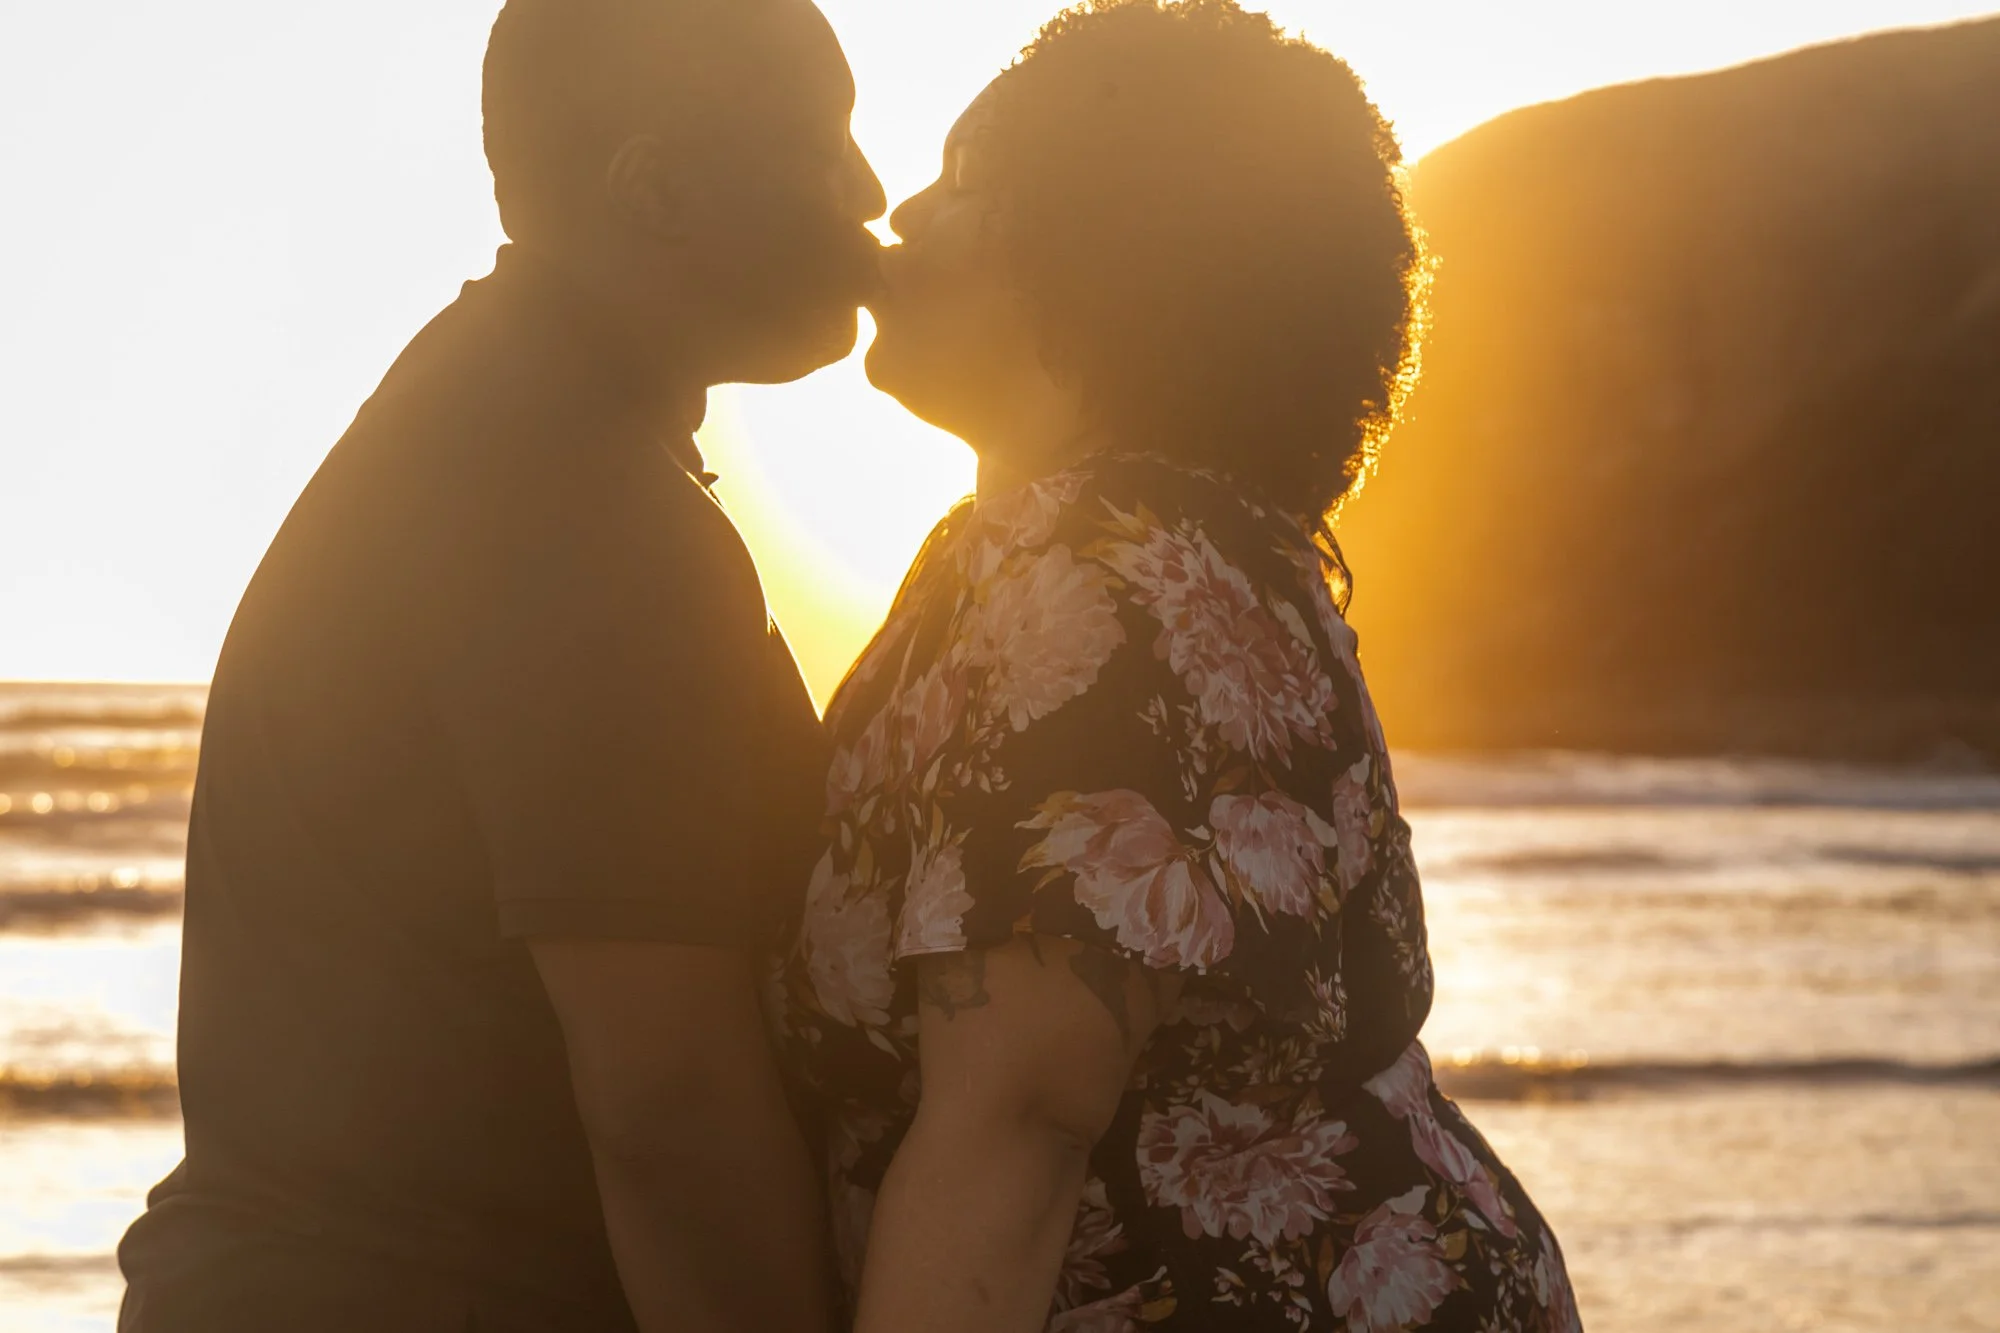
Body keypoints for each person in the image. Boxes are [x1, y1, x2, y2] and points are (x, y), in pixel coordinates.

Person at [768, 2, 1584, 1330]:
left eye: (965, 179)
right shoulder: (1098, 549)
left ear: (1102, 247)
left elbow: (1020, 1126)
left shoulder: (1110, 572)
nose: (902, 213)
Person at [118, 2, 883, 1330]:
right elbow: (668, 1100)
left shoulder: (501, 418)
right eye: (824, 146)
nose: (871, 195)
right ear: (656, 188)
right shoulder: (573, 500)